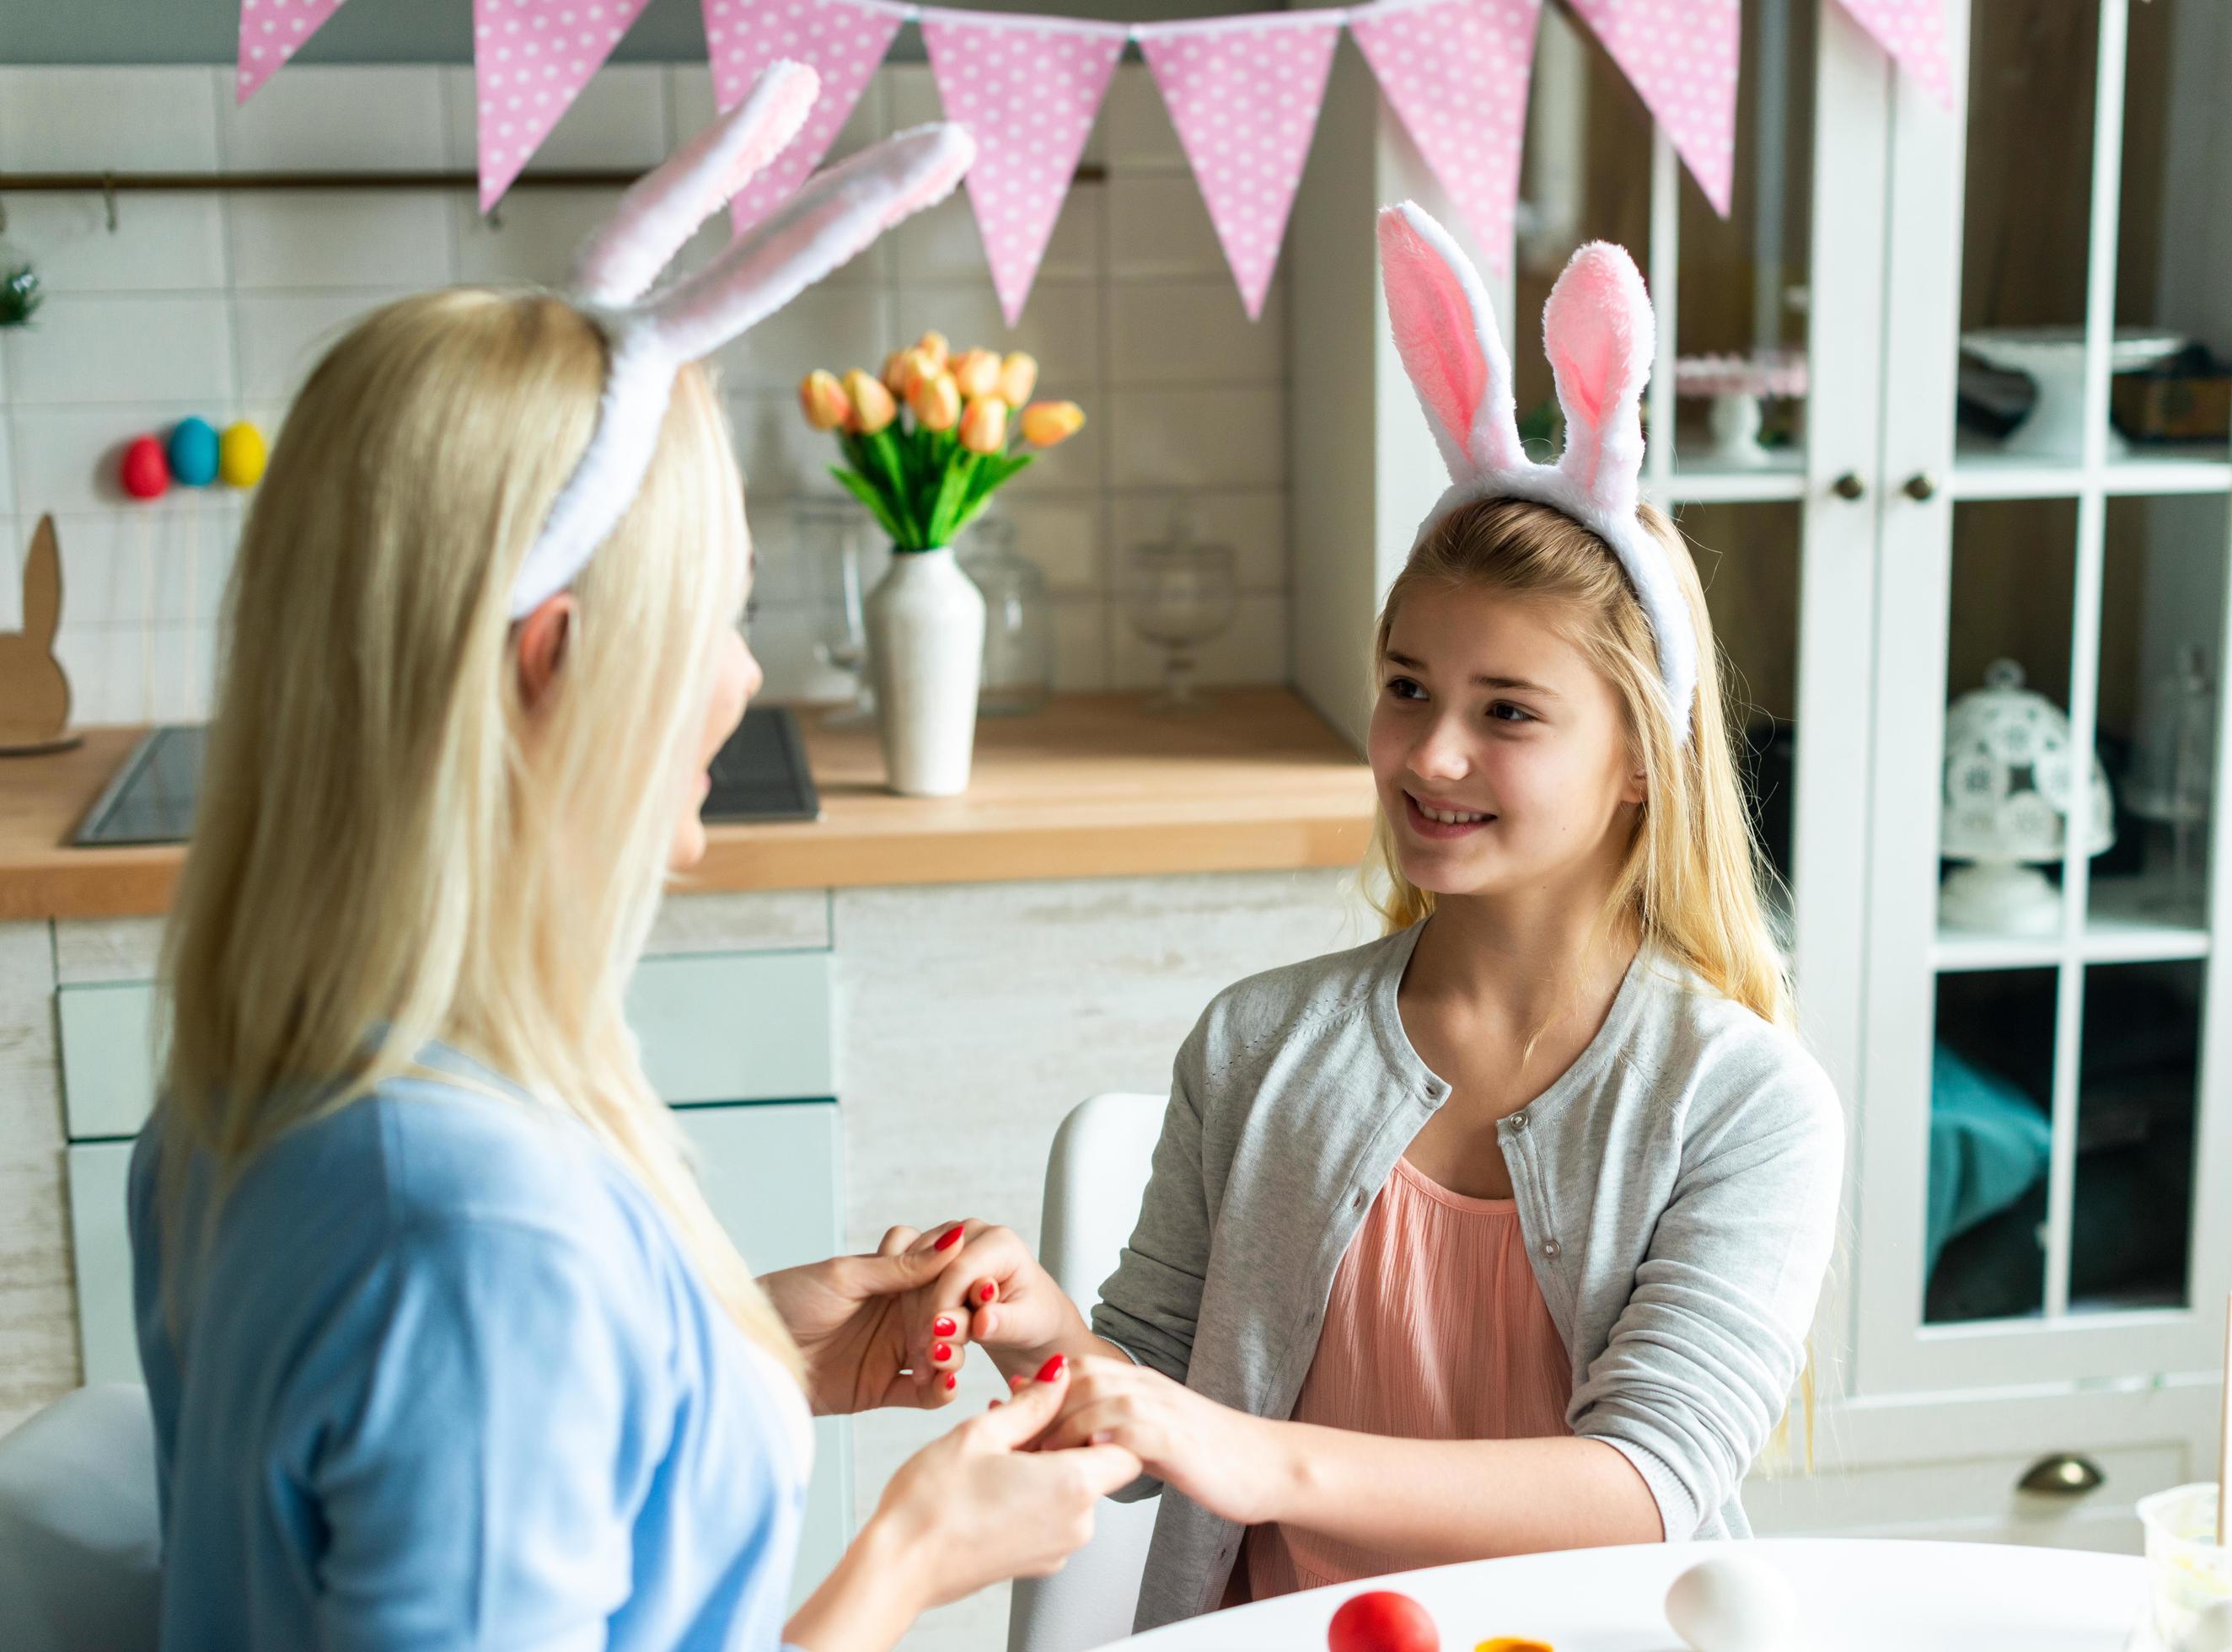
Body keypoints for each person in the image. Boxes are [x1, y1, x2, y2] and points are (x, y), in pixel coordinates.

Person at [127, 70, 1135, 1652]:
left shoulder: (262, 1087)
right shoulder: (478, 1243)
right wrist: (911, 1566)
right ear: (553, 662)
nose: (739, 683)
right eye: (715, 616)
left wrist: (729, 1345)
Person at [892, 205, 1845, 1630]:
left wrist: (1249, 1457)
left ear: (1642, 757)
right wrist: (1044, 1332)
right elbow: (1151, 1410)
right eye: (1407, 687)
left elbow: (1646, 1481)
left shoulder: (1744, 1099)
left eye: (1506, 712)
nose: (1428, 753)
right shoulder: (1258, 1043)